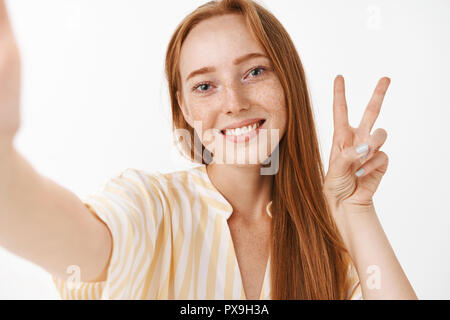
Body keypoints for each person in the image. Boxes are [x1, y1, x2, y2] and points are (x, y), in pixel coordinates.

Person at [0, 0, 417, 300]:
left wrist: (357, 211)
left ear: (287, 80)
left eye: (254, 72)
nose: (233, 102)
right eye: (205, 86)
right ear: (184, 107)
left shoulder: (326, 237)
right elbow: (72, 240)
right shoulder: (151, 206)